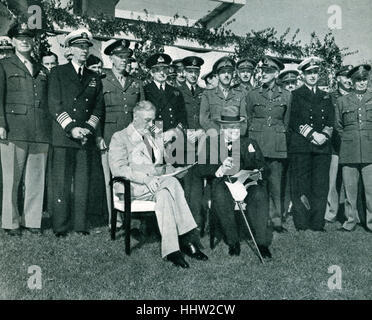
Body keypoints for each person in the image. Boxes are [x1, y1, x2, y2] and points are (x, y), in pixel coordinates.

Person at [109, 100, 208, 268]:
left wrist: (176, 169)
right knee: (172, 184)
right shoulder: (120, 137)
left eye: (152, 120)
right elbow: (118, 169)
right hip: (132, 186)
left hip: (157, 186)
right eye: (147, 120)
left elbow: (157, 166)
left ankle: (172, 251)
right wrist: (145, 179)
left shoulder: (150, 137)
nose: (151, 124)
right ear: (135, 116)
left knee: (165, 194)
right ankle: (187, 239)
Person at [48, 28, 104, 237]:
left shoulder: (93, 77)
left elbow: (98, 108)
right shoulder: (58, 72)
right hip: (64, 136)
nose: (83, 51)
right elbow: (54, 103)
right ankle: (60, 226)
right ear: (70, 49)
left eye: (86, 47)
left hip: (85, 138)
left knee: (82, 182)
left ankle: (80, 225)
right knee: (61, 182)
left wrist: (88, 128)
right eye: (79, 47)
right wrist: (71, 128)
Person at [195, 106, 272, 258]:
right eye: (229, 129)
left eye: (236, 129)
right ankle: (233, 241)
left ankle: (262, 244)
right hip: (223, 183)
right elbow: (201, 169)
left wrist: (258, 173)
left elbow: (265, 168)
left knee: (260, 194)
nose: (233, 133)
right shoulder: (211, 143)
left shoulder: (250, 143)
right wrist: (219, 169)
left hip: (246, 183)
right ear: (222, 128)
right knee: (221, 196)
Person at [0, 23, 51, 236]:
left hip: (40, 131)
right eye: (20, 38)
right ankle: (10, 222)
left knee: (36, 178)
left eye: (29, 38)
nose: (25, 41)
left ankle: (32, 221)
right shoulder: (4, 65)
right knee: (12, 178)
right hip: (15, 129)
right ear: (12, 41)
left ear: (33, 41)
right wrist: (1, 123)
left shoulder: (42, 69)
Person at [99, 39, 144, 226]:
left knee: (131, 177)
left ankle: (130, 218)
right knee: (111, 179)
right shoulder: (102, 81)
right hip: (109, 137)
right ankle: (113, 218)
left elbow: (143, 112)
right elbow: (97, 111)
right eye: (120, 57)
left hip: (132, 140)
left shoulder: (136, 83)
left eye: (127, 57)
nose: (124, 60)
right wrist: (98, 136)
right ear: (111, 59)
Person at [288, 57, 334, 231]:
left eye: (315, 72)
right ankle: (301, 222)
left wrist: (324, 136)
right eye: (309, 73)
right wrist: (312, 134)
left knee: (320, 185)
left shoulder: (325, 95)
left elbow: (331, 119)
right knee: (301, 185)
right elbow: (294, 119)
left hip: (322, 147)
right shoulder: (296, 94)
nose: (313, 76)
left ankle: (317, 223)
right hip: (302, 146)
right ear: (303, 75)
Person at [246, 56, 291, 233]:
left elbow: (286, 123)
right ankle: (258, 218)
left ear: (276, 74)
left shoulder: (287, 95)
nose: (263, 74)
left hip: (277, 145)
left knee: (275, 184)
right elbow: (249, 118)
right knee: (257, 185)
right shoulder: (253, 94)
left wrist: (277, 136)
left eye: (268, 71)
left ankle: (276, 220)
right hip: (258, 145)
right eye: (262, 71)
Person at [335, 64, 372, 232]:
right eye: (358, 80)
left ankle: (370, 222)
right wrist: (349, 139)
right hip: (349, 149)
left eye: (364, 79)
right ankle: (350, 221)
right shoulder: (342, 101)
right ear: (352, 81)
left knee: (371, 190)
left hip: (370, 148)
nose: (362, 83)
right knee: (350, 189)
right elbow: (338, 126)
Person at [324, 65, 353, 223]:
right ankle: (331, 212)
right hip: (334, 145)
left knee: (351, 182)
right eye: (345, 76)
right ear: (337, 79)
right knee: (332, 181)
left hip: (353, 146)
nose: (348, 79)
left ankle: (351, 214)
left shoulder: (357, 96)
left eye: (350, 76)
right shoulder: (329, 97)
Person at [200, 56, 247, 136]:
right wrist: (221, 132)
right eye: (223, 72)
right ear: (217, 76)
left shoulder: (240, 94)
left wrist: (237, 133)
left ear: (232, 75)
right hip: (215, 138)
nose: (226, 75)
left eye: (229, 72)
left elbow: (244, 120)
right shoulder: (208, 94)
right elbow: (203, 120)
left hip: (235, 139)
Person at [143, 53, 188, 134]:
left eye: (164, 69)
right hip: (154, 134)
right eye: (157, 70)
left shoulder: (176, 92)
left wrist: (176, 131)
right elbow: (143, 117)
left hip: (174, 133)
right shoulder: (145, 90)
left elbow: (182, 116)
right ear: (152, 73)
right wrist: (159, 133)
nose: (162, 73)